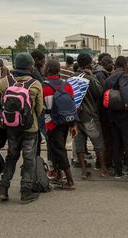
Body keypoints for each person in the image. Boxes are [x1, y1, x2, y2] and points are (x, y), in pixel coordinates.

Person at [0, 53, 43, 204]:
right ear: (30, 66)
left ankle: (3, 188)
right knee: (29, 159)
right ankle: (25, 191)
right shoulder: (35, 84)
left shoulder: (4, 82)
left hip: (10, 127)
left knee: (11, 156)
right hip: (30, 128)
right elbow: (39, 109)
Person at [42, 60, 78, 190]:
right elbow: (72, 104)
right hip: (66, 121)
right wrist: (73, 125)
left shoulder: (44, 86)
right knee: (59, 148)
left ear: (48, 70)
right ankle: (58, 175)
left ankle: (70, 181)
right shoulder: (66, 84)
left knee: (59, 151)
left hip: (52, 123)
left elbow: (41, 107)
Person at [72, 53, 107, 179]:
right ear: (88, 65)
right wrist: (93, 77)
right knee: (98, 143)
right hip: (89, 116)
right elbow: (99, 92)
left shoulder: (72, 77)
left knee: (79, 144)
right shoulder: (89, 78)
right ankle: (102, 169)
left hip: (76, 117)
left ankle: (83, 171)